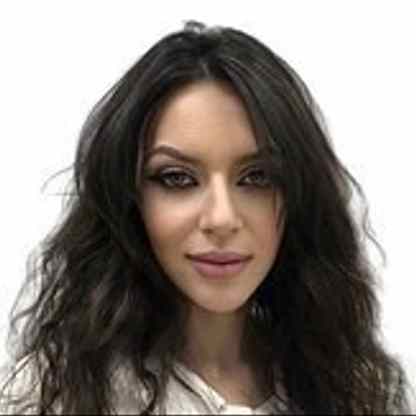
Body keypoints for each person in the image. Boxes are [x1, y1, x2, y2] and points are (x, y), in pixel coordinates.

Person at [0, 19, 413, 414]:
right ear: (128, 197)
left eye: (257, 177)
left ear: (300, 195)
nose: (221, 218)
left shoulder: (356, 389)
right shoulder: (53, 393)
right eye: (177, 178)